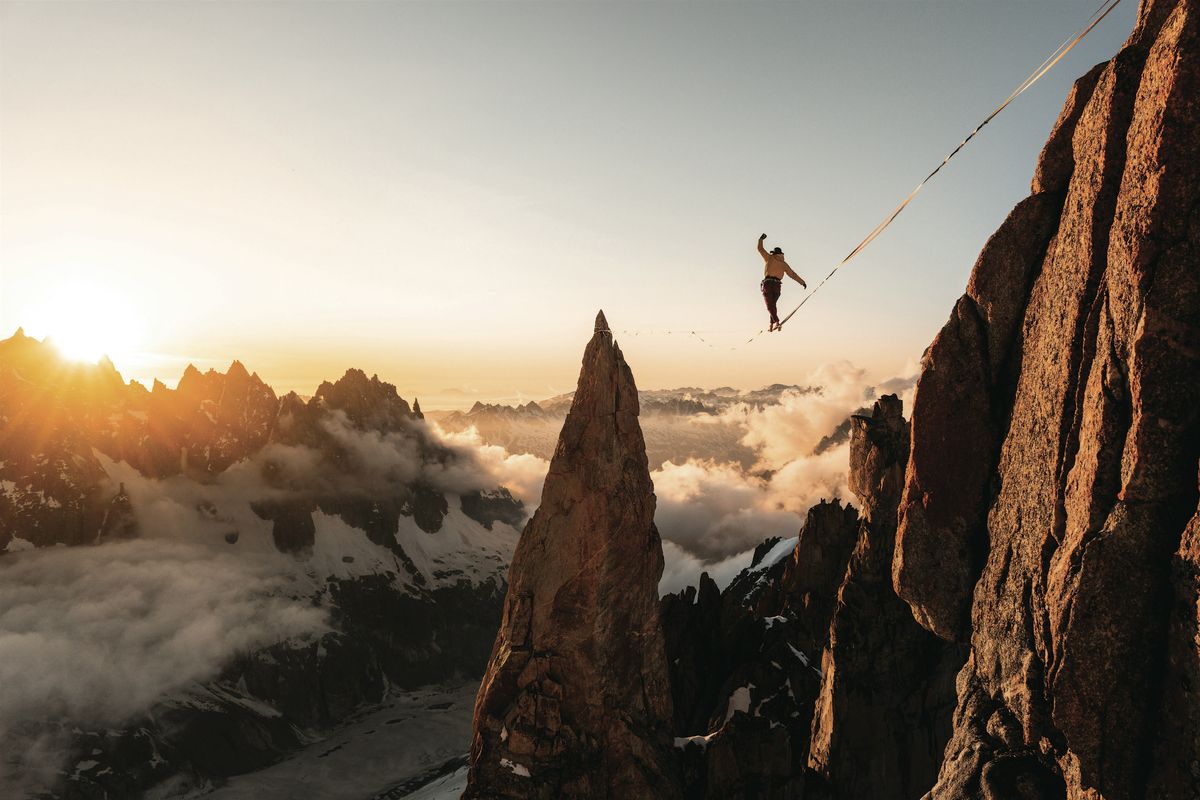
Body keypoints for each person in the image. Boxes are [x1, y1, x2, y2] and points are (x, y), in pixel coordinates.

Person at [758, 233, 806, 331]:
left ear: (774, 253)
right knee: (772, 305)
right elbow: (792, 274)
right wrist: (802, 282)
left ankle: (777, 322)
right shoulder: (784, 264)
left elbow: (760, 249)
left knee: (769, 305)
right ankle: (771, 325)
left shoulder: (769, 258)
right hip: (777, 286)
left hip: (768, 284)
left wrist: (761, 239)